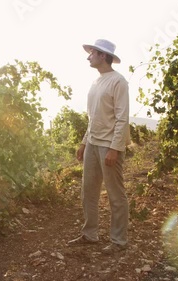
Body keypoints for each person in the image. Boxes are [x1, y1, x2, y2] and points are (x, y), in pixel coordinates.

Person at [67, 39, 130, 254]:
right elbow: (92, 118)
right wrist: (84, 142)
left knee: (115, 194)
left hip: (108, 146)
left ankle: (119, 241)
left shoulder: (118, 81)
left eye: (92, 53)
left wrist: (114, 148)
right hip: (93, 143)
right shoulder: (96, 82)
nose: (88, 56)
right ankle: (89, 234)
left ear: (103, 55)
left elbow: (122, 118)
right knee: (88, 191)